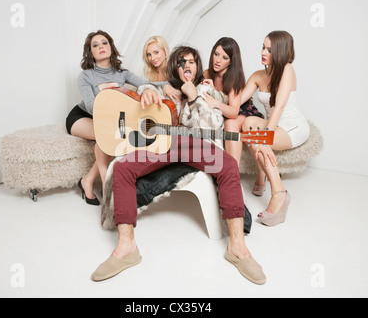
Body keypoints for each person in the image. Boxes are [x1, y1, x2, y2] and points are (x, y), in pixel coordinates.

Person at [91, 45, 271, 285]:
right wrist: (148, 93)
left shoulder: (208, 90)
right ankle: (127, 247)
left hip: (192, 144)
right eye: (181, 62)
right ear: (174, 67)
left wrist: (194, 96)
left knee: (227, 165)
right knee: (123, 168)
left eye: (191, 61)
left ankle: (237, 247)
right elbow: (142, 92)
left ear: (198, 66)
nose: (187, 65)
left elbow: (210, 125)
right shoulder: (165, 88)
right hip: (161, 145)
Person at [65, 30, 171, 205]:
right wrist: (115, 105)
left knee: (110, 136)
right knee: (106, 136)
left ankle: (87, 181)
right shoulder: (86, 76)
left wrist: (165, 85)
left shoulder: (122, 73)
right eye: (95, 45)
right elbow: (92, 107)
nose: (101, 47)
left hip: (110, 118)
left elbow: (145, 85)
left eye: (104, 43)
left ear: (111, 47)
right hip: (82, 116)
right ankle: (109, 185)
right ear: (90, 52)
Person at [240, 31, 310, 226]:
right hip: (274, 125)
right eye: (263, 47)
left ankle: (279, 194)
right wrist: (213, 91)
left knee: (256, 138)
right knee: (247, 124)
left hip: (292, 127)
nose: (263, 52)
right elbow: (236, 101)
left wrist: (264, 139)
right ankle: (261, 176)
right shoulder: (257, 75)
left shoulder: (287, 69)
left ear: (280, 52)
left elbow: (278, 107)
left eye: (270, 49)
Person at [201, 37, 264, 164]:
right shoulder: (207, 73)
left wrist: (216, 101)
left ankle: (233, 175)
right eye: (216, 54)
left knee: (230, 123)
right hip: (224, 111)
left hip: (243, 111)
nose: (218, 60)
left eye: (225, 58)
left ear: (231, 61)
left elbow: (233, 112)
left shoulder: (233, 78)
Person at [143, 35, 181, 104]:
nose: (152, 58)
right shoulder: (152, 73)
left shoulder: (173, 69)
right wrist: (163, 85)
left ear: (165, 51)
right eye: (149, 54)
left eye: (156, 52)